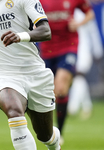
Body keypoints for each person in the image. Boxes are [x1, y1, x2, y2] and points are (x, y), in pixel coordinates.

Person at [0, 0, 61, 149]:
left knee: (44, 135)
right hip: (2, 74)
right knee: (13, 111)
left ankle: (54, 142)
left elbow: (46, 31)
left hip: (34, 73)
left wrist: (21, 36)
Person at [39, 0, 94, 145]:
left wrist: (78, 24)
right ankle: (48, 129)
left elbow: (90, 13)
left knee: (60, 88)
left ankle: (59, 133)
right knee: (48, 92)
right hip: (47, 49)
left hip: (68, 47)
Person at [68, 8, 103, 119]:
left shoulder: (85, 13)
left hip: (84, 50)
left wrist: (97, 52)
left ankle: (72, 107)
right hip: (71, 49)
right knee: (78, 78)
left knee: (79, 75)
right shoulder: (68, 11)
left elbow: (93, 34)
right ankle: (87, 107)